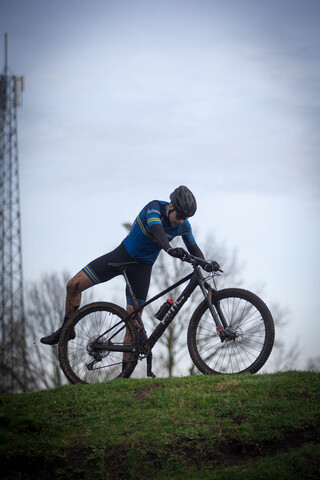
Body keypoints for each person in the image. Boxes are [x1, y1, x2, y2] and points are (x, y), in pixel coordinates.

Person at [40, 186, 217, 345]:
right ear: (171, 206)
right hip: (121, 257)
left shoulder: (184, 226)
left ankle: (125, 372)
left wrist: (207, 265)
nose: (181, 220)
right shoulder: (153, 208)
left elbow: (193, 248)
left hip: (142, 269)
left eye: (185, 217)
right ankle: (66, 330)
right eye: (179, 215)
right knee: (73, 285)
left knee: (133, 329)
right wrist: (170, 249)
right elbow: (158, 231)